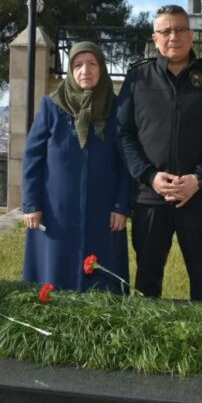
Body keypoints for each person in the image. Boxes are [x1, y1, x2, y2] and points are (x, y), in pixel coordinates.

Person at [117, 5, 202, 301]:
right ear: (155, 38)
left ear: (191, 35)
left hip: (198, 195)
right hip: (150, 197)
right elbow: (123, 134)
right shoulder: (138, 77)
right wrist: (149, 176)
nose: (174, 36)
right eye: (166, 31)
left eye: (180, 29)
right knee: (147, 277)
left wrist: (200, 177)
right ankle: (148, 342)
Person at [22, 41, 130, 292]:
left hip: (103, 213)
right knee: (53, 278)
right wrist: (31, 204)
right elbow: (32, 157)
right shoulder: (52, 106)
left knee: (102, 281)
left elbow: (126, 161)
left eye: (92, 64)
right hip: (55, 211)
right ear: (70, 71)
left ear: (102, 68)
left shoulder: (116, 108)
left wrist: (121, 206)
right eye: (78, 65)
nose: (85, 70)